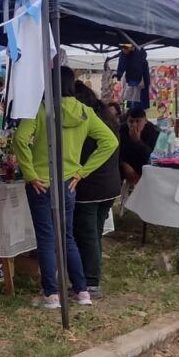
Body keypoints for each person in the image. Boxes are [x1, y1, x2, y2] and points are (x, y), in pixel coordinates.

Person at [12, 66, 117, 309]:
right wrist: (82, 171)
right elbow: (109, 141)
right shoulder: (84, 111)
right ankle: (82, 291)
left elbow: (19, 139)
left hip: (40, 182)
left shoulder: (39, 108)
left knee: (47, 238)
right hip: (68, 181)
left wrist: (29, 173)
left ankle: (51, 294)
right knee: (67, 237)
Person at [71, 82, 121, 300]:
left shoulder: (84, 118)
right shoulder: (105, 116)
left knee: (87, 235)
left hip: (90, 187)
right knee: (94, 234)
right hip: (109, 185)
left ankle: (91, 283)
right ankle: (92, 277)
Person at [119, 107, 159, 185]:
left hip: (145, 164)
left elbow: (153, 155)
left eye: (138, 121)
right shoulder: (121, 130)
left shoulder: (152, 131)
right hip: (126, 164)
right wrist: (123, 164)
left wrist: (138, 141)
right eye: (131, 121)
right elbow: (116, 152)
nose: (134, 125)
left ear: (145, 121)